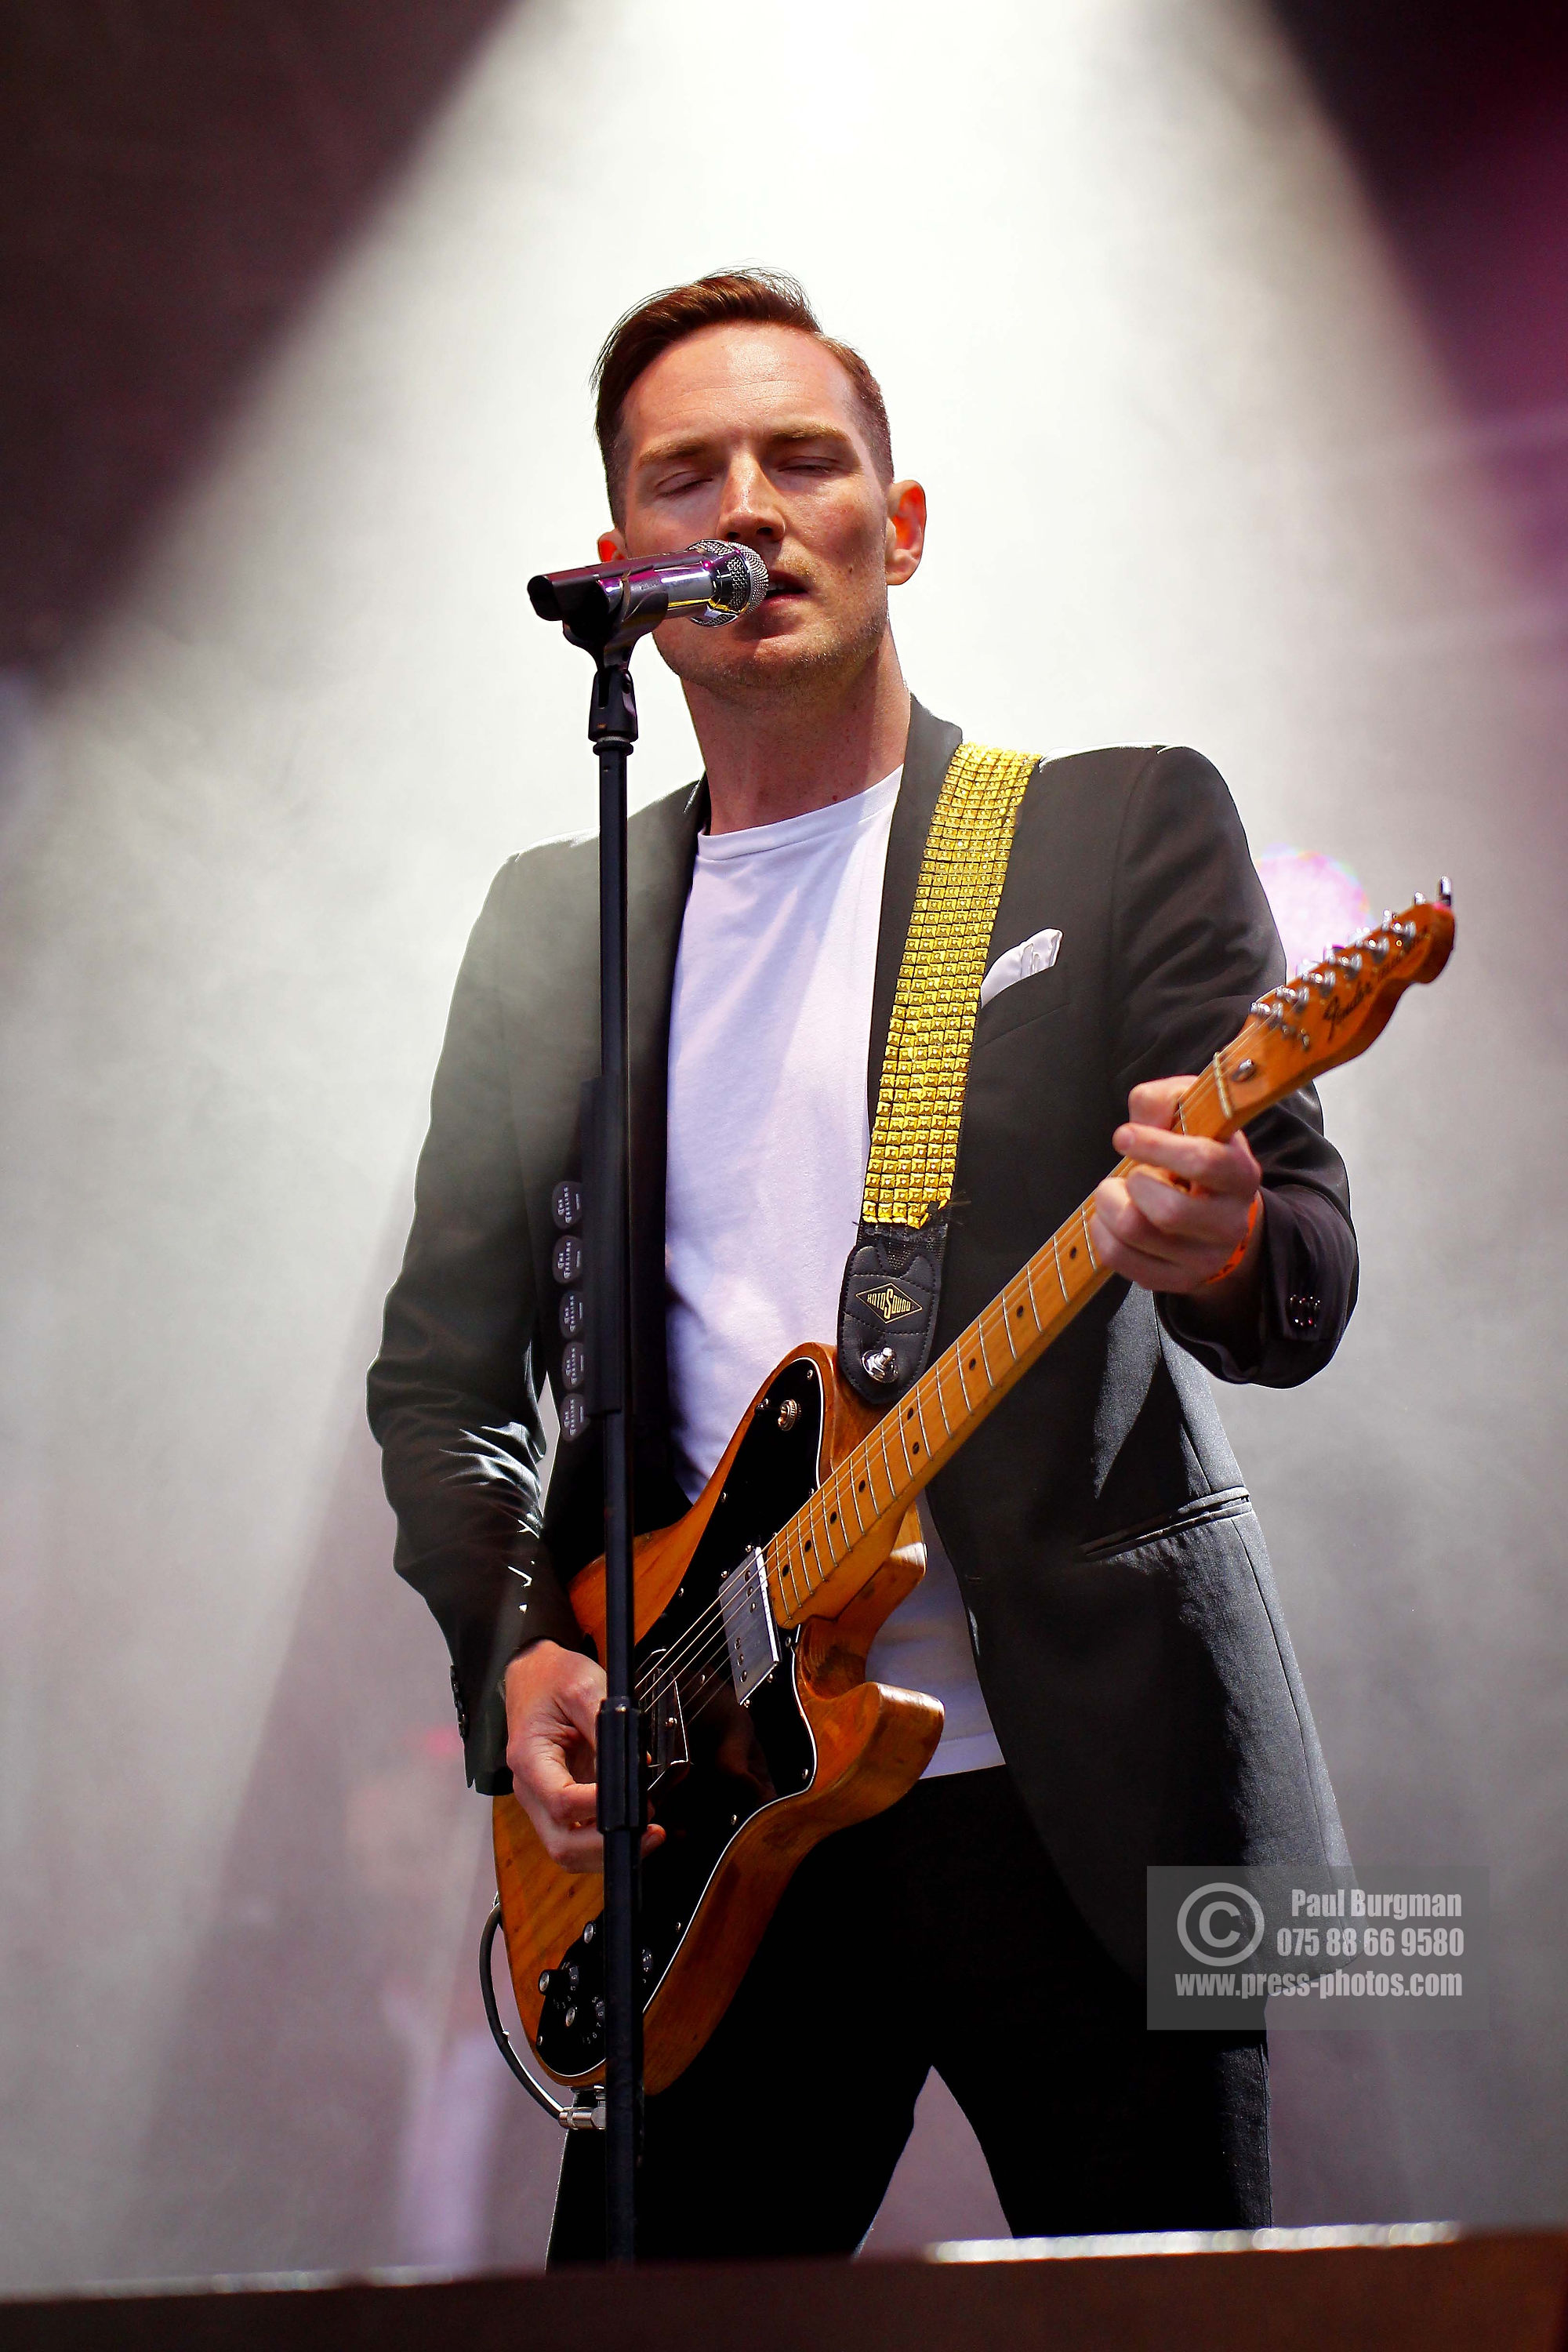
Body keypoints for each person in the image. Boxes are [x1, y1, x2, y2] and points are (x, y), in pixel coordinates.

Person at [368, 270, 1356, 2262]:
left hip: (1095, 1790)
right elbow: (445, 1380)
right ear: (621, 560)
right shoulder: (556, 925)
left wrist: (1226, 1235)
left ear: (896, 526)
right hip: (710, 1806)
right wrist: (521, 1648)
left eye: (802, 458)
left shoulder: (1114, 825)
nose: (748, 503)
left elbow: (1301, 1272)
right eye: (687, 476)